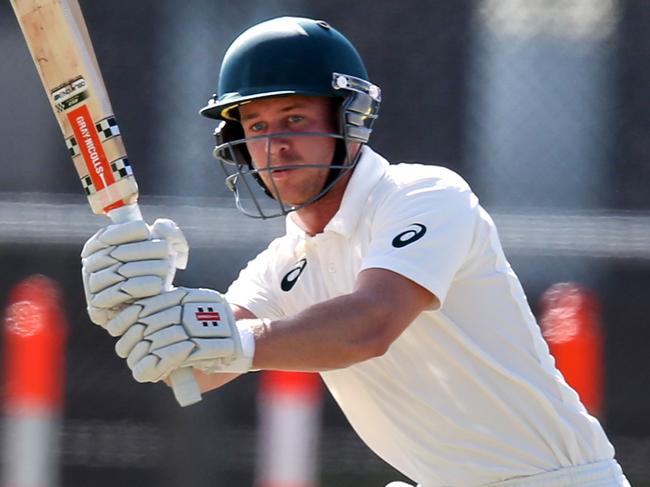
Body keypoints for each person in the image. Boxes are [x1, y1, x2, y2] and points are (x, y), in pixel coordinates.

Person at [80, 16, 629, 487]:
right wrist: (144, 305)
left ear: (350, 120)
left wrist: (228, 338)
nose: (274, 146)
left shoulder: (424, 195)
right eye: (256, 126)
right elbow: (196, 369)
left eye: (294, 119)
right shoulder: (284, 263)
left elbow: (370, 324)